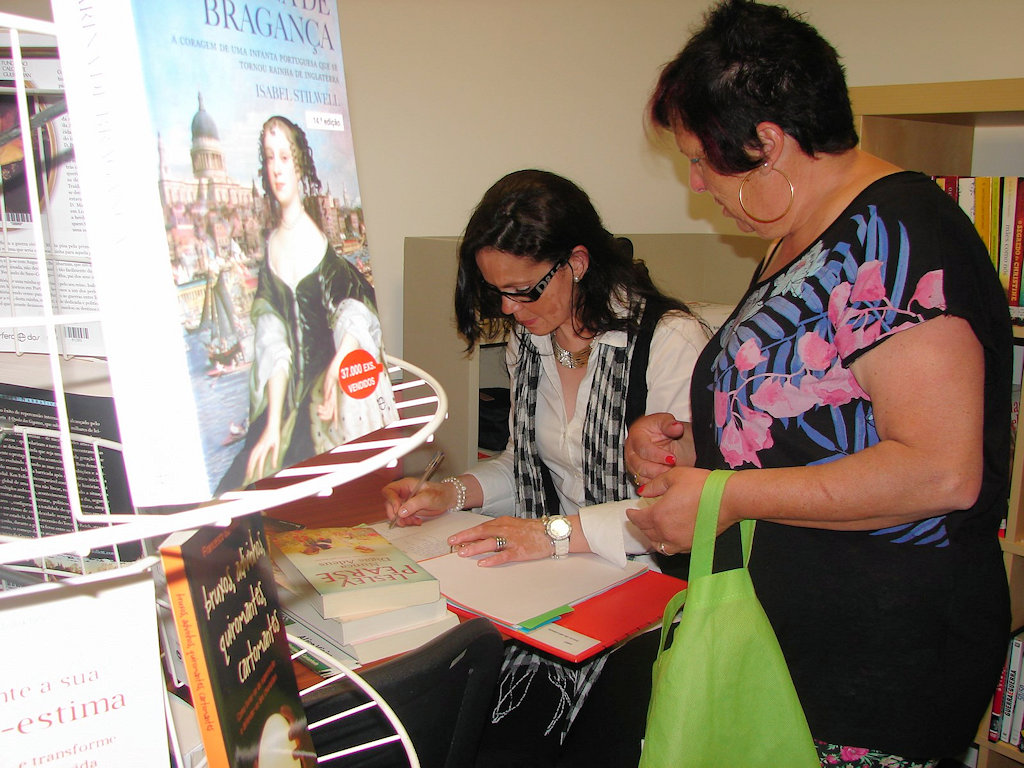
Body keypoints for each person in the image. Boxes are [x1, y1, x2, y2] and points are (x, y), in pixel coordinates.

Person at [623, 2, 1012, 766]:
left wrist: (726, 495)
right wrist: (693, 445)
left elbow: (940, 471)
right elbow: (813, 418)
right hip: (793, 644)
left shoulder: (898, 235)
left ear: (768, 144)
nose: (697, 184)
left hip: (877, 663)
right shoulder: (802, 237)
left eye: (701, 160)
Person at [381, 168, 714, 767]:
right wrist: (449, 494)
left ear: (577, 262)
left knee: (576, 736)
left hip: (660, 584)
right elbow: (525, 466)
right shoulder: (531, 341)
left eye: (523, 290)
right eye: (497, 292)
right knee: (469, 706)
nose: (509, 309)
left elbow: (675, 508)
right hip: (565, 573)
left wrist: (550, 534)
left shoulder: (668, 342)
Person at [217, 116, 395, 492]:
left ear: (299, 165)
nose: (277, 169)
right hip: (284, 402)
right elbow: (274, 343)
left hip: (322, 393)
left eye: (284, 157)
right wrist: (270, 425)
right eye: (269, 158)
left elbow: (352, 308)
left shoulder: (318, 243)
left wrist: (338, 367)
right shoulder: (271, 245)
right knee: (238, 483)